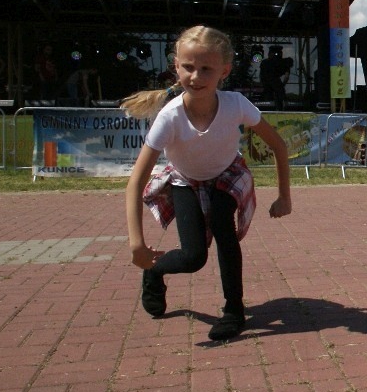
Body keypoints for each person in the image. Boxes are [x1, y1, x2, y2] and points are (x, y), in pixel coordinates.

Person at [122, 25, 293, 341]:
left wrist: (285, 197)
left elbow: (278, 145)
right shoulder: (170, 117)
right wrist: (137, 244)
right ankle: (155, 272)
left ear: (224, 71)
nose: (196, 76)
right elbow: (136, 182)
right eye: (188, 67)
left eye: (206, 69)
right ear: (176, 66)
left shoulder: (236, 105)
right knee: (193, 258)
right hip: (185, 181)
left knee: (224, 231)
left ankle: (234, 311)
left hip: (226, 176)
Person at [259, 45, 293, 111]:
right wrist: (282, 85)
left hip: (268, 85)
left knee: (268, 100)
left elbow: (261, 76)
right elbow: (286, 76)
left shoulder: (265, 63)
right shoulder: (284, 62)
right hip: (275, 84)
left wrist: (263, 84)